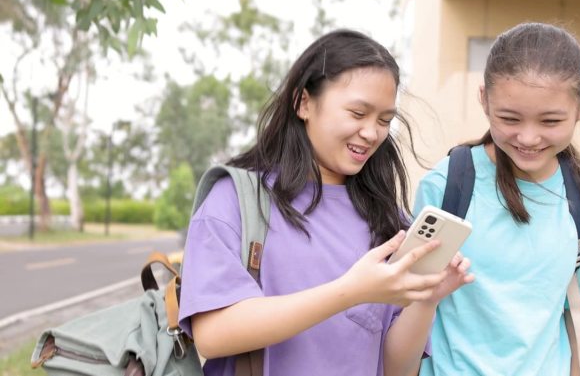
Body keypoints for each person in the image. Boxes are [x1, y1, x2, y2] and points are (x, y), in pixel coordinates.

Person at [178, 29, 475, 376]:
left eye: (384, 120)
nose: (371, 133)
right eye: (357, 113)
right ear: (304, 102)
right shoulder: (236, 199)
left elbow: (396, 370)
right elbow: (213, 335)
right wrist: (349, 292)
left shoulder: (386, 219)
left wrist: (426, 298)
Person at [415, 22, 580, 376]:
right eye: (510, 118)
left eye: (550, 120)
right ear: (484, 99)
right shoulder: (446, 186)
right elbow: (412, 306)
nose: (529, 138)